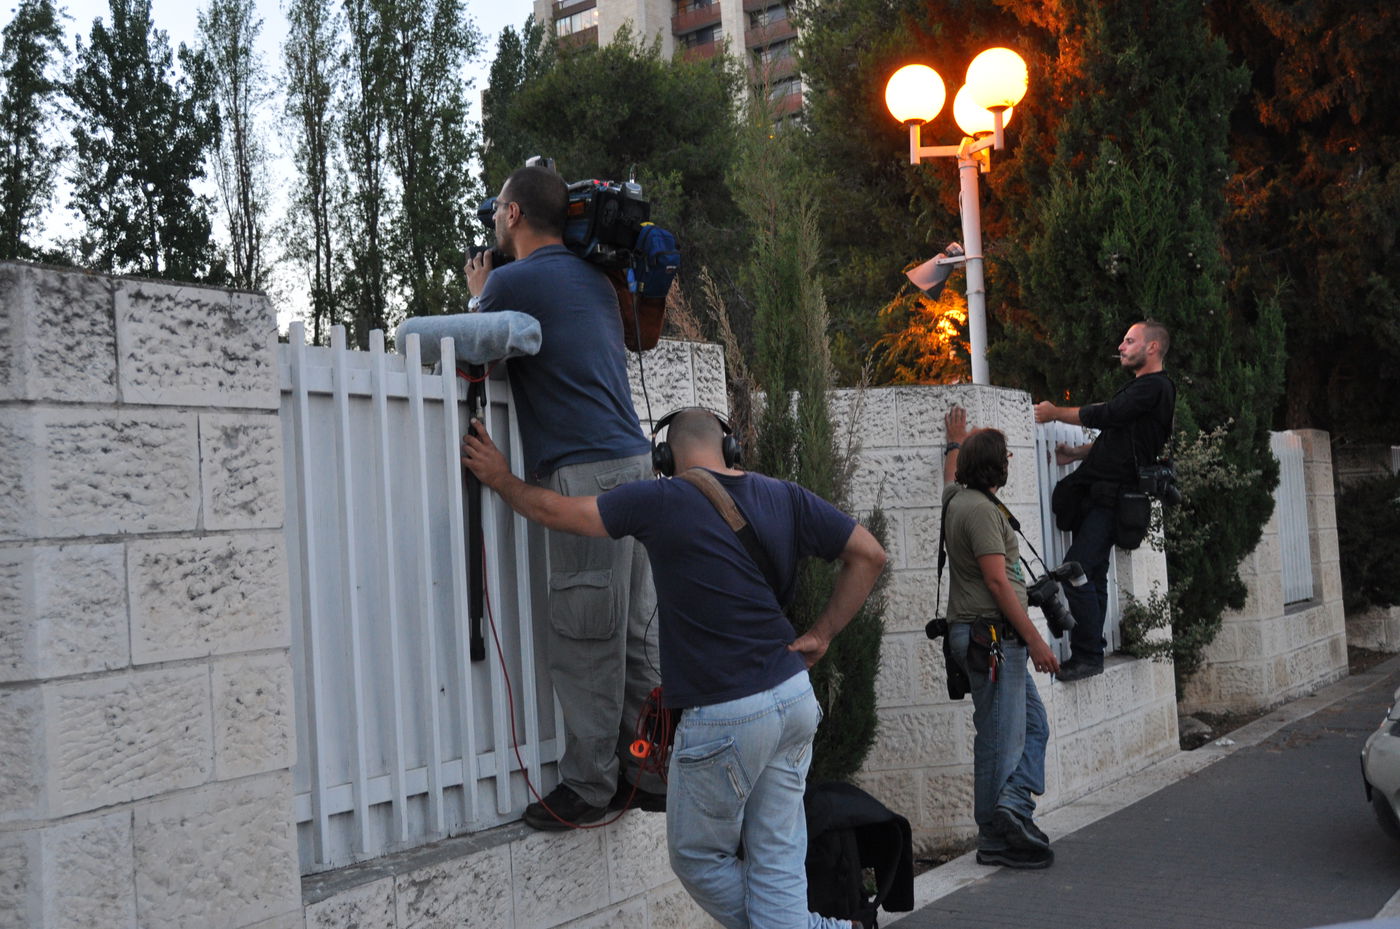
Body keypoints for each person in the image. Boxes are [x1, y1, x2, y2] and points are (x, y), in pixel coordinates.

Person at [462, 407, 887, 929]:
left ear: (664, 457)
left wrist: (501, 478)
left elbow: (558, 512)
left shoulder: (660, 500)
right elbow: (869, 554)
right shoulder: (786, 495)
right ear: (729, 448)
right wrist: (822, 633)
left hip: (727, 713)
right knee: (775, 861)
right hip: (794, 697)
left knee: (699, 861)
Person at [464, 164, 661, 828]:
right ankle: (647, 769)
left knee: (586, 633)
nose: (494, 221)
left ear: (514, 215)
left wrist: (479, 293)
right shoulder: (596, 282)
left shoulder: (514, 281)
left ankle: (589, 785)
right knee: (634, 629)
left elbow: (474, 357)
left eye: (499, 211)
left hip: (587, 473)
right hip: (635, 462)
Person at [941, 406, 1060, 870]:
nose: (1010, 460)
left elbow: (950, 475)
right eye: (1006, 456)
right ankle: (995, 836)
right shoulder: (983, 513)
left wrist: (956, 440)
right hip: (992, 637)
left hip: (980, 635)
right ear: (998, 468)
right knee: (999, 741)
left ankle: (1012, 807)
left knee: (1033, 726)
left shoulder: (957, 497)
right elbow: (996, 583)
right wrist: (1035, 640)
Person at [1033, 320, 1177, 682]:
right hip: (1102, 494)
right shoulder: (1142, 390)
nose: (1122, 346)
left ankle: (1087, 655)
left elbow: (1107, 415)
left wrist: (1053, 414)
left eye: (1130, 341)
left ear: (1153, 348)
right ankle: (1090, 653)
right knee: (1092, 575)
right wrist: (1077, 454)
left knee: (1076, 568)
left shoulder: (1155, 387)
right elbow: (1119, 436)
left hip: (1115, 498)